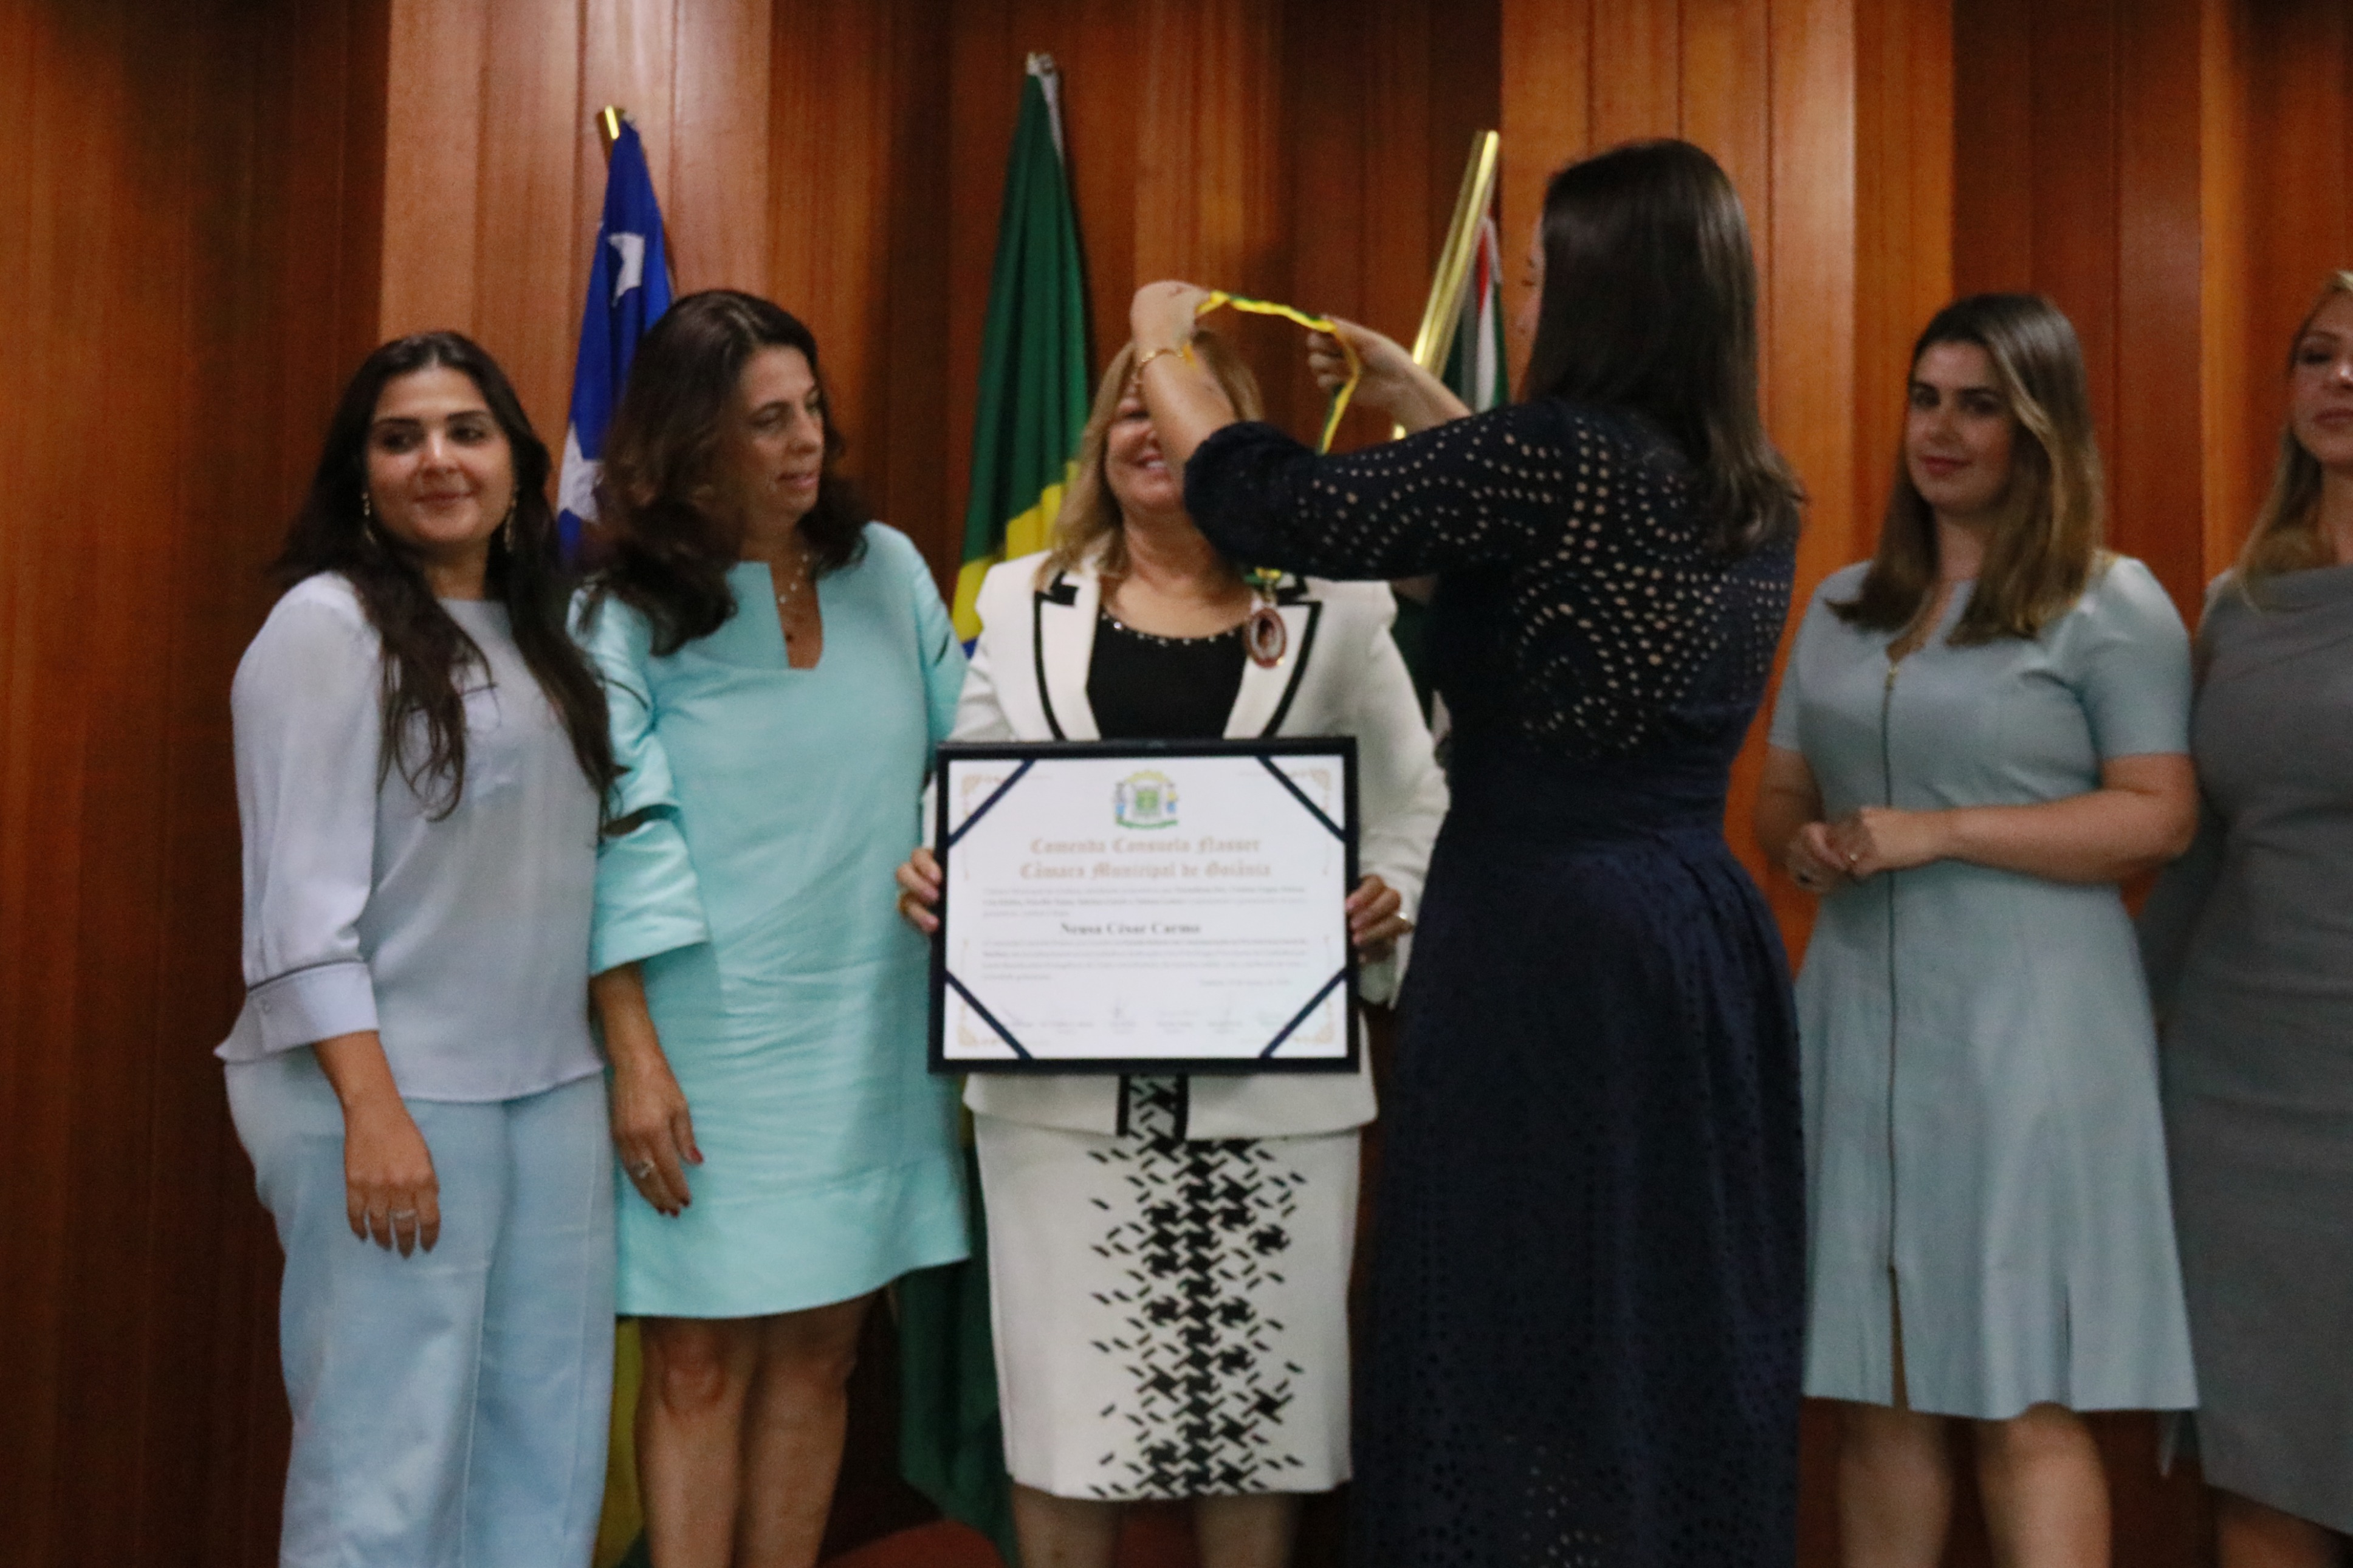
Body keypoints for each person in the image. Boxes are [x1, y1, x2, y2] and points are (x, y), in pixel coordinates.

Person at [1128, 139, 1809, 1566]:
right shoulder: (1750, 489)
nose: (1536, 295)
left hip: (1542, 937)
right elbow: (1532, 556)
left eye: (1548, 273)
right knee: (1654, 1304)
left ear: (1606, 293)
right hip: (1690, 936)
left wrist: (1161, 343)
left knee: (1518, 1307)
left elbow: (1276, 506)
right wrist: (1412, 396)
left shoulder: (1548, 460)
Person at [893, 332, 1448, 1568]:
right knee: (1067, 1419)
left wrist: (1391, 891)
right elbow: (966, 787)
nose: (1153, 434)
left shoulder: (1337, 603)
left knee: (1256, 1425)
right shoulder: (1022, 600)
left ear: (1240, 443)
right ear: (1101, 442)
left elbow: (1414, 799)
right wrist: (943, 865)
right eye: (1130, 411)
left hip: (1273, 1096)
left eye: (1183, 410)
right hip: (1061, 1101)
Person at [1756, 293, 2199, 1568]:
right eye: (1925, 399)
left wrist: (1944, 831)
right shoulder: (1843, 602)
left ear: (2040, 427)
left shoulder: (2110, 602)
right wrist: (1805, 844)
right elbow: (1778, 796)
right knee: (1875, 1387)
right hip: (1856, 1020)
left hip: (2032, 1034)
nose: (1939, 431)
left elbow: (2158, 815)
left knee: (2021, 1393)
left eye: (1979, 405)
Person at [575, 290, 969, 1568]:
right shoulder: (616, 612)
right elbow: (609, 841)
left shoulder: (887, 568)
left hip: (868, 1021)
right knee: (695, 1362)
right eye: (766, 421)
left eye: (812, 410)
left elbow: (974, 757)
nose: (806, 443)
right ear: (690, 445)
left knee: (822, 1354)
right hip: (699, 1038)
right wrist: (632, 1054)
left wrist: (958, 852)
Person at [221, 331, 620, 1567]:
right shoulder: (325, 628)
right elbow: (298, 905)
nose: (437, 459)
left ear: (517, 464)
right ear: (360, 474)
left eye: (466, 431)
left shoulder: (551, 631)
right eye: (400, 439)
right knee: (384, 1457)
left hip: (552, 1087)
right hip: (381, 1090)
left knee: (547, 1445)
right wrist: (374, 1112)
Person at [2138, 272, 2353, 1568]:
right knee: (2264, 1477)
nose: (2340, 379)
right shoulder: (2239, 602)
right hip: (2238, 1099)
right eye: (2318, 355)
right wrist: (2108, 1034)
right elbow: (2197, 850)